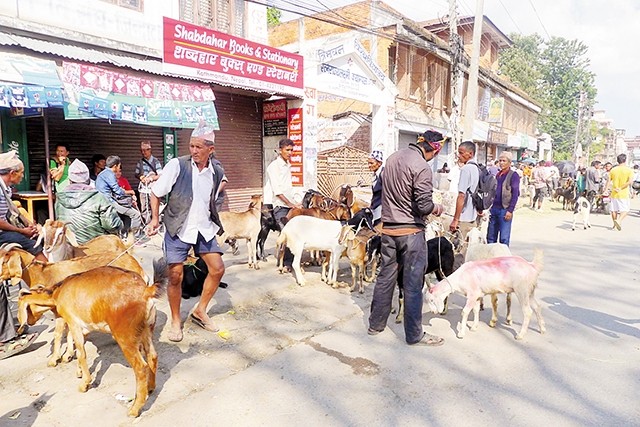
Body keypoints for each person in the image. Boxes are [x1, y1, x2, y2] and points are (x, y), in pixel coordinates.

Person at [146, 121, 226, 343]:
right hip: (178, 227)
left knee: (217, 269)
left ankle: (200, 311)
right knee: (175, 276)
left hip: (203, 228)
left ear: (211, 149)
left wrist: (215, 215)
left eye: (199, 147)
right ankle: (174, 320)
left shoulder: (216, 171)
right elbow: (155, 192)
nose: (193, 151)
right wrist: (154, 218)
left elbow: (215, 196)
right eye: (191, 146)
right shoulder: (177, 165)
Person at [368, 130, 446, 346]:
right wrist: (437, 208)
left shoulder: (392, 159)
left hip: (389, 231)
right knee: (412, 285)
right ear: (434, 148)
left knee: (385, 277)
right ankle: (414, 335)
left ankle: (375, 325)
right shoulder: (422, 167)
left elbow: (378, 192)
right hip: (411, 233)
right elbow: (423, 205)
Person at [0, 151, 42, 359]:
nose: (23, 177)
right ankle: (4, 339)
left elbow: (12, 213)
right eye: (21, 173)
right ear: (11, 173)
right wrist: (21, 231)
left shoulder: (5, 188)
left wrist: (26, 224)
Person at [55, 159, 123, 244]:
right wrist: (120, 224)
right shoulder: (98, 198)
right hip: (96, 246)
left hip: (69, 246)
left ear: (69, 180)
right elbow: (112, 225)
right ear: (88, 180)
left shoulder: (60, 199)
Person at [265, 139, 301, 270]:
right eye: (287, 150)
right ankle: (287, 263)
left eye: (292, 150)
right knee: (287, 232)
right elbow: (277, 191)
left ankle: (292, 261)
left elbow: (289, 187)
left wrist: (296, 202)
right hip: (280, 206)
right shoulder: (274, 167)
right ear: (280, 150)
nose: (290, 153)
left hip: (290, 204)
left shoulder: (288, 165)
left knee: (296, 232)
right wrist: (290, 204)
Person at [95, 155, 143, 239]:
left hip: (103, 200)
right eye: (119, 166)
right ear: (115, 166)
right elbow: (118, 191)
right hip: (109, 202)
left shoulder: (103, 173)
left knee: (127, 215)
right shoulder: (109, 174)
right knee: (136, 215)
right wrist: (130, 193)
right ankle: (135, 239)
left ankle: (124, 235)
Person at [449, 140, 479, 246]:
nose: (459, 156)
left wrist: (455, 220)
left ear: (470, 154)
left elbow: (461, 196)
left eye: (462, 153)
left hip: (464, 218)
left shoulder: (466, 169)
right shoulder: (477, 168)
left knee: (459, 252)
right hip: (473, 218)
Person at [487, 152, 520, 246]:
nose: (501, 163)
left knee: (504, 239)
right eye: (500, 160)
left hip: (505, 210)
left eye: (504, 161)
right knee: (490, 237)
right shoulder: (498, 175)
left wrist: (510, 210)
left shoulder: (514, 175)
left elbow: (515, 194)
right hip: (494, 209)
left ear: (509, 163)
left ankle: (504, 259)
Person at [134, 142, 163, 224]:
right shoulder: (140, 162)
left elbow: (160, 175)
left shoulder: (155, 161)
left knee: (155, 207)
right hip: (143, 189)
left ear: (149, 150)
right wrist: (141, 177)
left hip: (153, 189)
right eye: (142, 151)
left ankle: (156, 223)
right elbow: (136, 174)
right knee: (144, 207)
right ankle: (147, 224)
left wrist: (151, 178)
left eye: (145, 150)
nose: (143, 153)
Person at [608, 153, 634, 231]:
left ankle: (614, 224)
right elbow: (630, 182)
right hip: (623, 193)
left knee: (613, 210)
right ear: (625, 160)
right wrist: (621, 188)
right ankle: (618, 221)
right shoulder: (629, 170)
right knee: (625, 210)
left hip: (614, 193)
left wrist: (606, 190)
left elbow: (608, 181)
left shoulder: (613, 170)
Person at [368, 150, 384, 225]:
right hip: (376, 208)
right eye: (368, 163)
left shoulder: (383, 174)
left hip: (381, 210)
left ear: (379, 163)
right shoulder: (375, 175)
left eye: (371, 163)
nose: (369, 165)